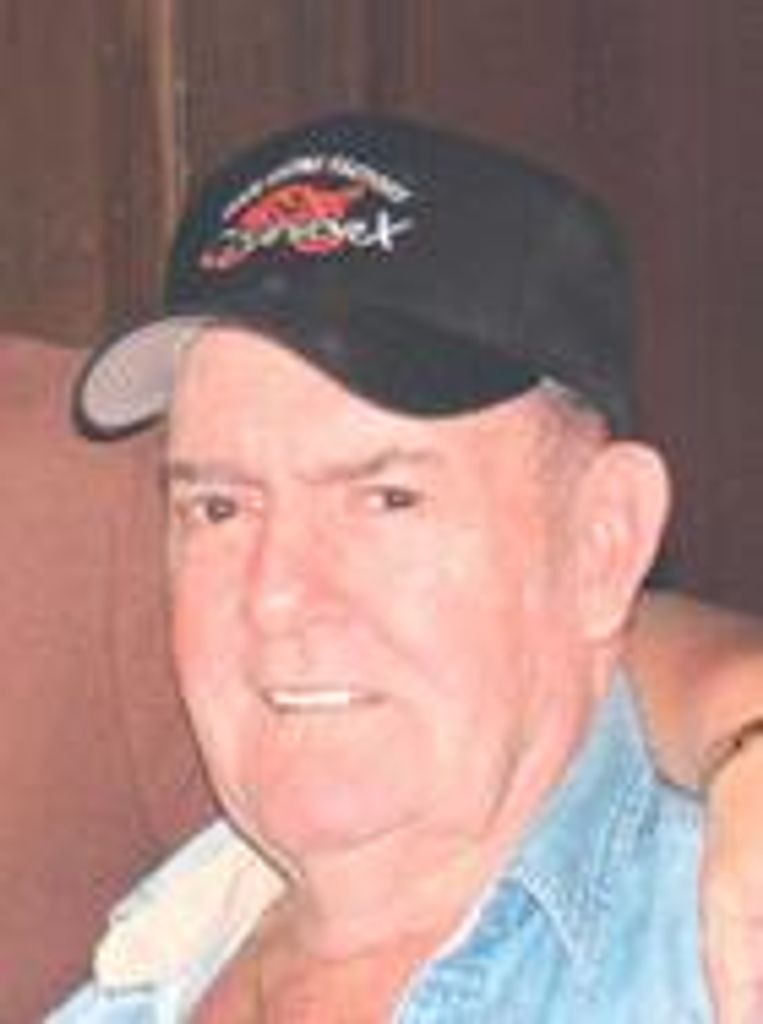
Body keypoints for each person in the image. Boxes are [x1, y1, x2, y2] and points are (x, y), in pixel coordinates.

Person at [49, 114, 762, 1021]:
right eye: (219, 508)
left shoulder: (711, 967)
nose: (275, 595)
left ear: (602, 540)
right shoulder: (133, 982)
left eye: (386, 498)